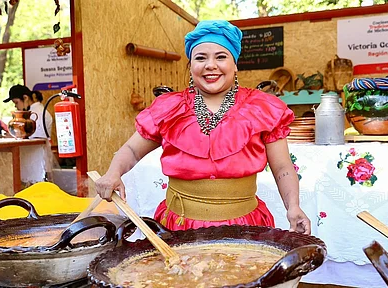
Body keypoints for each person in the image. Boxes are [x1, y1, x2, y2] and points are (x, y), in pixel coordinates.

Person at [95, 20, 311, 234]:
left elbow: (282, 167)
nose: (210, 65)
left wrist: (293, 207)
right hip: (179, 226)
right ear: (191, 67)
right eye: (200, 58)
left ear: (235, 64)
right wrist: (113, 172)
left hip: (245, 228)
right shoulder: (169, 108)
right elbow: (132, 150)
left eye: (221, 57)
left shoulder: (262, 108)